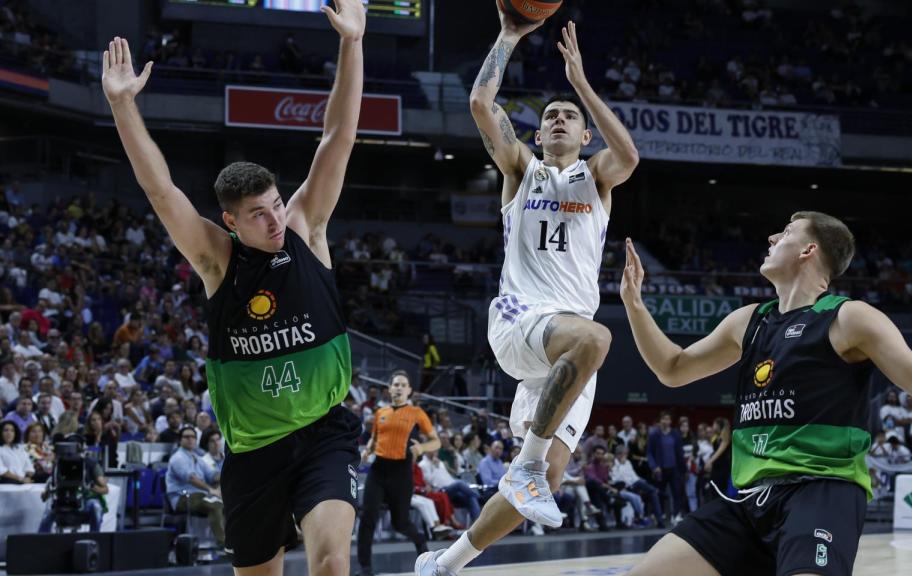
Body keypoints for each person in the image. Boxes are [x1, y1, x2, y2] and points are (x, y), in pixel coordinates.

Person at [101, 1, 366, 572]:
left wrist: (352, 43)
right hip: (253, 450)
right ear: (230, 221)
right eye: (258, 215)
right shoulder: (217, 261)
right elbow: (160, 191)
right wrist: (123, 105)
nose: (274, 221)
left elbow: (338, 137)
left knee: (330, 562)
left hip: (324, 433)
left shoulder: (305, 228)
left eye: (276, 205)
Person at [620, 212, 912, 576]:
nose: (772, 238)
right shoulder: (749, 321)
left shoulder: (850, 318)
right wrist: (634, 304)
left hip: (822, 491)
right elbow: (672, 369)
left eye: (786, 232)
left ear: (808, 250)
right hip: (750, 499)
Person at [416, 9, 639, 576]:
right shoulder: (521, 169)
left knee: (547, 481)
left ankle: (445, 563)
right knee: (597, 339)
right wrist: (509, 35)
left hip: (565, 348)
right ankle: (529, 464)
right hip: (523, 320)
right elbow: (479, 104)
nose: (559, 119)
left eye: (570, 116)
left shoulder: (596, 178)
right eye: (550, 116)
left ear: (585, 135)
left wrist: (580, 84)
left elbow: (629, 157)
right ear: (537, 135)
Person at [357, 371, 440, 575]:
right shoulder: (380, 412)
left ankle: (420, 541)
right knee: (368, 517)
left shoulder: (416, 413)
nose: (399, 388)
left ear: (409, 390)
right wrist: (368, 450)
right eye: (396, 384)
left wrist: (421, 448)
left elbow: (436, 441)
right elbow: (374, 438)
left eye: (403, 385)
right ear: (390, 388)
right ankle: (365, 568)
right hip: (378, 470)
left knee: (400, 523)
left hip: (401, 472)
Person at [167, 425, 225, 548]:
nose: (190, 439)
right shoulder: (177, 458)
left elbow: (212, 475)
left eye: (193, 437)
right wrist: (211, 489)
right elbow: (191, 478)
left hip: (200, 496)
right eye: (186, 437)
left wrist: (227, 476)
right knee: (215, 505)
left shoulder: (197, 458)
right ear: (180, 440)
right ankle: (224, 544)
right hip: (183, 497)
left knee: (226, 504)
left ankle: (232, 541)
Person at [39, 447, 108, 533]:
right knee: (49, 507)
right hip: (62, 500)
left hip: (85, 501)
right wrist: (48, 491)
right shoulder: (58, 464)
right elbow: (44, 497)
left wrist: (91, 486)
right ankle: (42, 538)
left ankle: (94, 537)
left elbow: (105, 489)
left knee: (96, 507)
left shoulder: (89, 464)